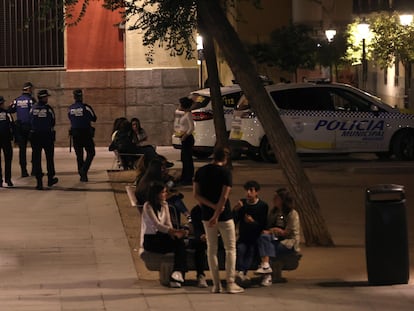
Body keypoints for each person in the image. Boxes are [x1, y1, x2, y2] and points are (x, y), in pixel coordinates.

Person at [193, 146, 244, 294]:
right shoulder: (226, 173)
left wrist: (211, 208)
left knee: (211, 249)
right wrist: (216, 213)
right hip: (224, 216)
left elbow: (196, 195)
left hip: (206, 215)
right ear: (226, 159)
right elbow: (224, 196)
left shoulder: (200, 171)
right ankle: (230, 282)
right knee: (230, 249)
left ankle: (216, 284)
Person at [140, 181, 188, 288]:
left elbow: (167, 222)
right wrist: (173, 232)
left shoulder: (165, 205)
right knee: (179, 245)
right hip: (151, 239)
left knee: (179, 242)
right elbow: (157, 224)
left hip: (162, 236)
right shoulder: (148, 206)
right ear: (156, 194)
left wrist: (173, 233)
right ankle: (177, 273)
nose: (165, 194)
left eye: (165, 192)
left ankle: (176, 274)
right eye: (162, 192)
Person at [255, 188, 301, 286]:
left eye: (276, 197)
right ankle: (266, 268)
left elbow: (288, 232)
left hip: (288, 243)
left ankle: (267, 274)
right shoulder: (274, 212)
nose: (274, 199)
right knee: (264, 238)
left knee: (265, 246)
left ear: (282, 200)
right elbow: (268, 226)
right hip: (274, 239)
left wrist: (273, 230)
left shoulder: (292, 214)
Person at [233, 180, 269, 286]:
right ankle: (241, 272)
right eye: (247, 190)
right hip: (244, 237)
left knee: (251, 251)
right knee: (241, 249)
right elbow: (234, 220)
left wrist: (252, 222)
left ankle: (242, 272)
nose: (248, 193)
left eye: (251, 190)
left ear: (256, 192)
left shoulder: (262, 206)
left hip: (255, 237)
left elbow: (262, 225)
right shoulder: (243, 203)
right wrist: (235, 210)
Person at [29, 90, 58, 190]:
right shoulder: (48, 109)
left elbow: (30, 120)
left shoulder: (32, 109)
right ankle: (50, 178)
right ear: (42, 97)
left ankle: (39, 182)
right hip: (47, 136)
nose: (47, 99)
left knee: (37, 159)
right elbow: (53, 122)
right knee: (49, 158)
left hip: (35, 136)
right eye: (46, 97)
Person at [68, 89, 97, 182]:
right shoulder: (86, 107)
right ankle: (84, 170)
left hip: (75, 134)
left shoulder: (71, 108)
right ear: (81, 96)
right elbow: (94, 118)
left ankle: (82, 175)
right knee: (91, 152)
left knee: (79, 155)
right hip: (85, 133)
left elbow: (70, 117)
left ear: (74, 97)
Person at [9, 82, 35, 177]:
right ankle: (34, 169)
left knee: (22, 150)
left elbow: (10, 110)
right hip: (30, 127)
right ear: (29, 89)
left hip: (19, 128)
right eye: (32, 89)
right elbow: (34, 112)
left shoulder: (17, 100)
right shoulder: (31, 100)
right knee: (35, 148)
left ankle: (24, 171)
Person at [177, 97, 194, 185]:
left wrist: (185, 135)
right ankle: (184, 176)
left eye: (180, 104)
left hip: (187, 138)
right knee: (184, 158)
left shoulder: (188, 115)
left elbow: (191, 128)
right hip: (184, 137)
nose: (179, 106)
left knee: (187, 158)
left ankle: (188, 178)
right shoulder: (185, 114)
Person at [0, 96, 14, 187]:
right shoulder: (6, 113)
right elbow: (12, 125)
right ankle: (8, 180)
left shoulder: (6, 112)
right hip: (6, 139)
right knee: (8, 160)